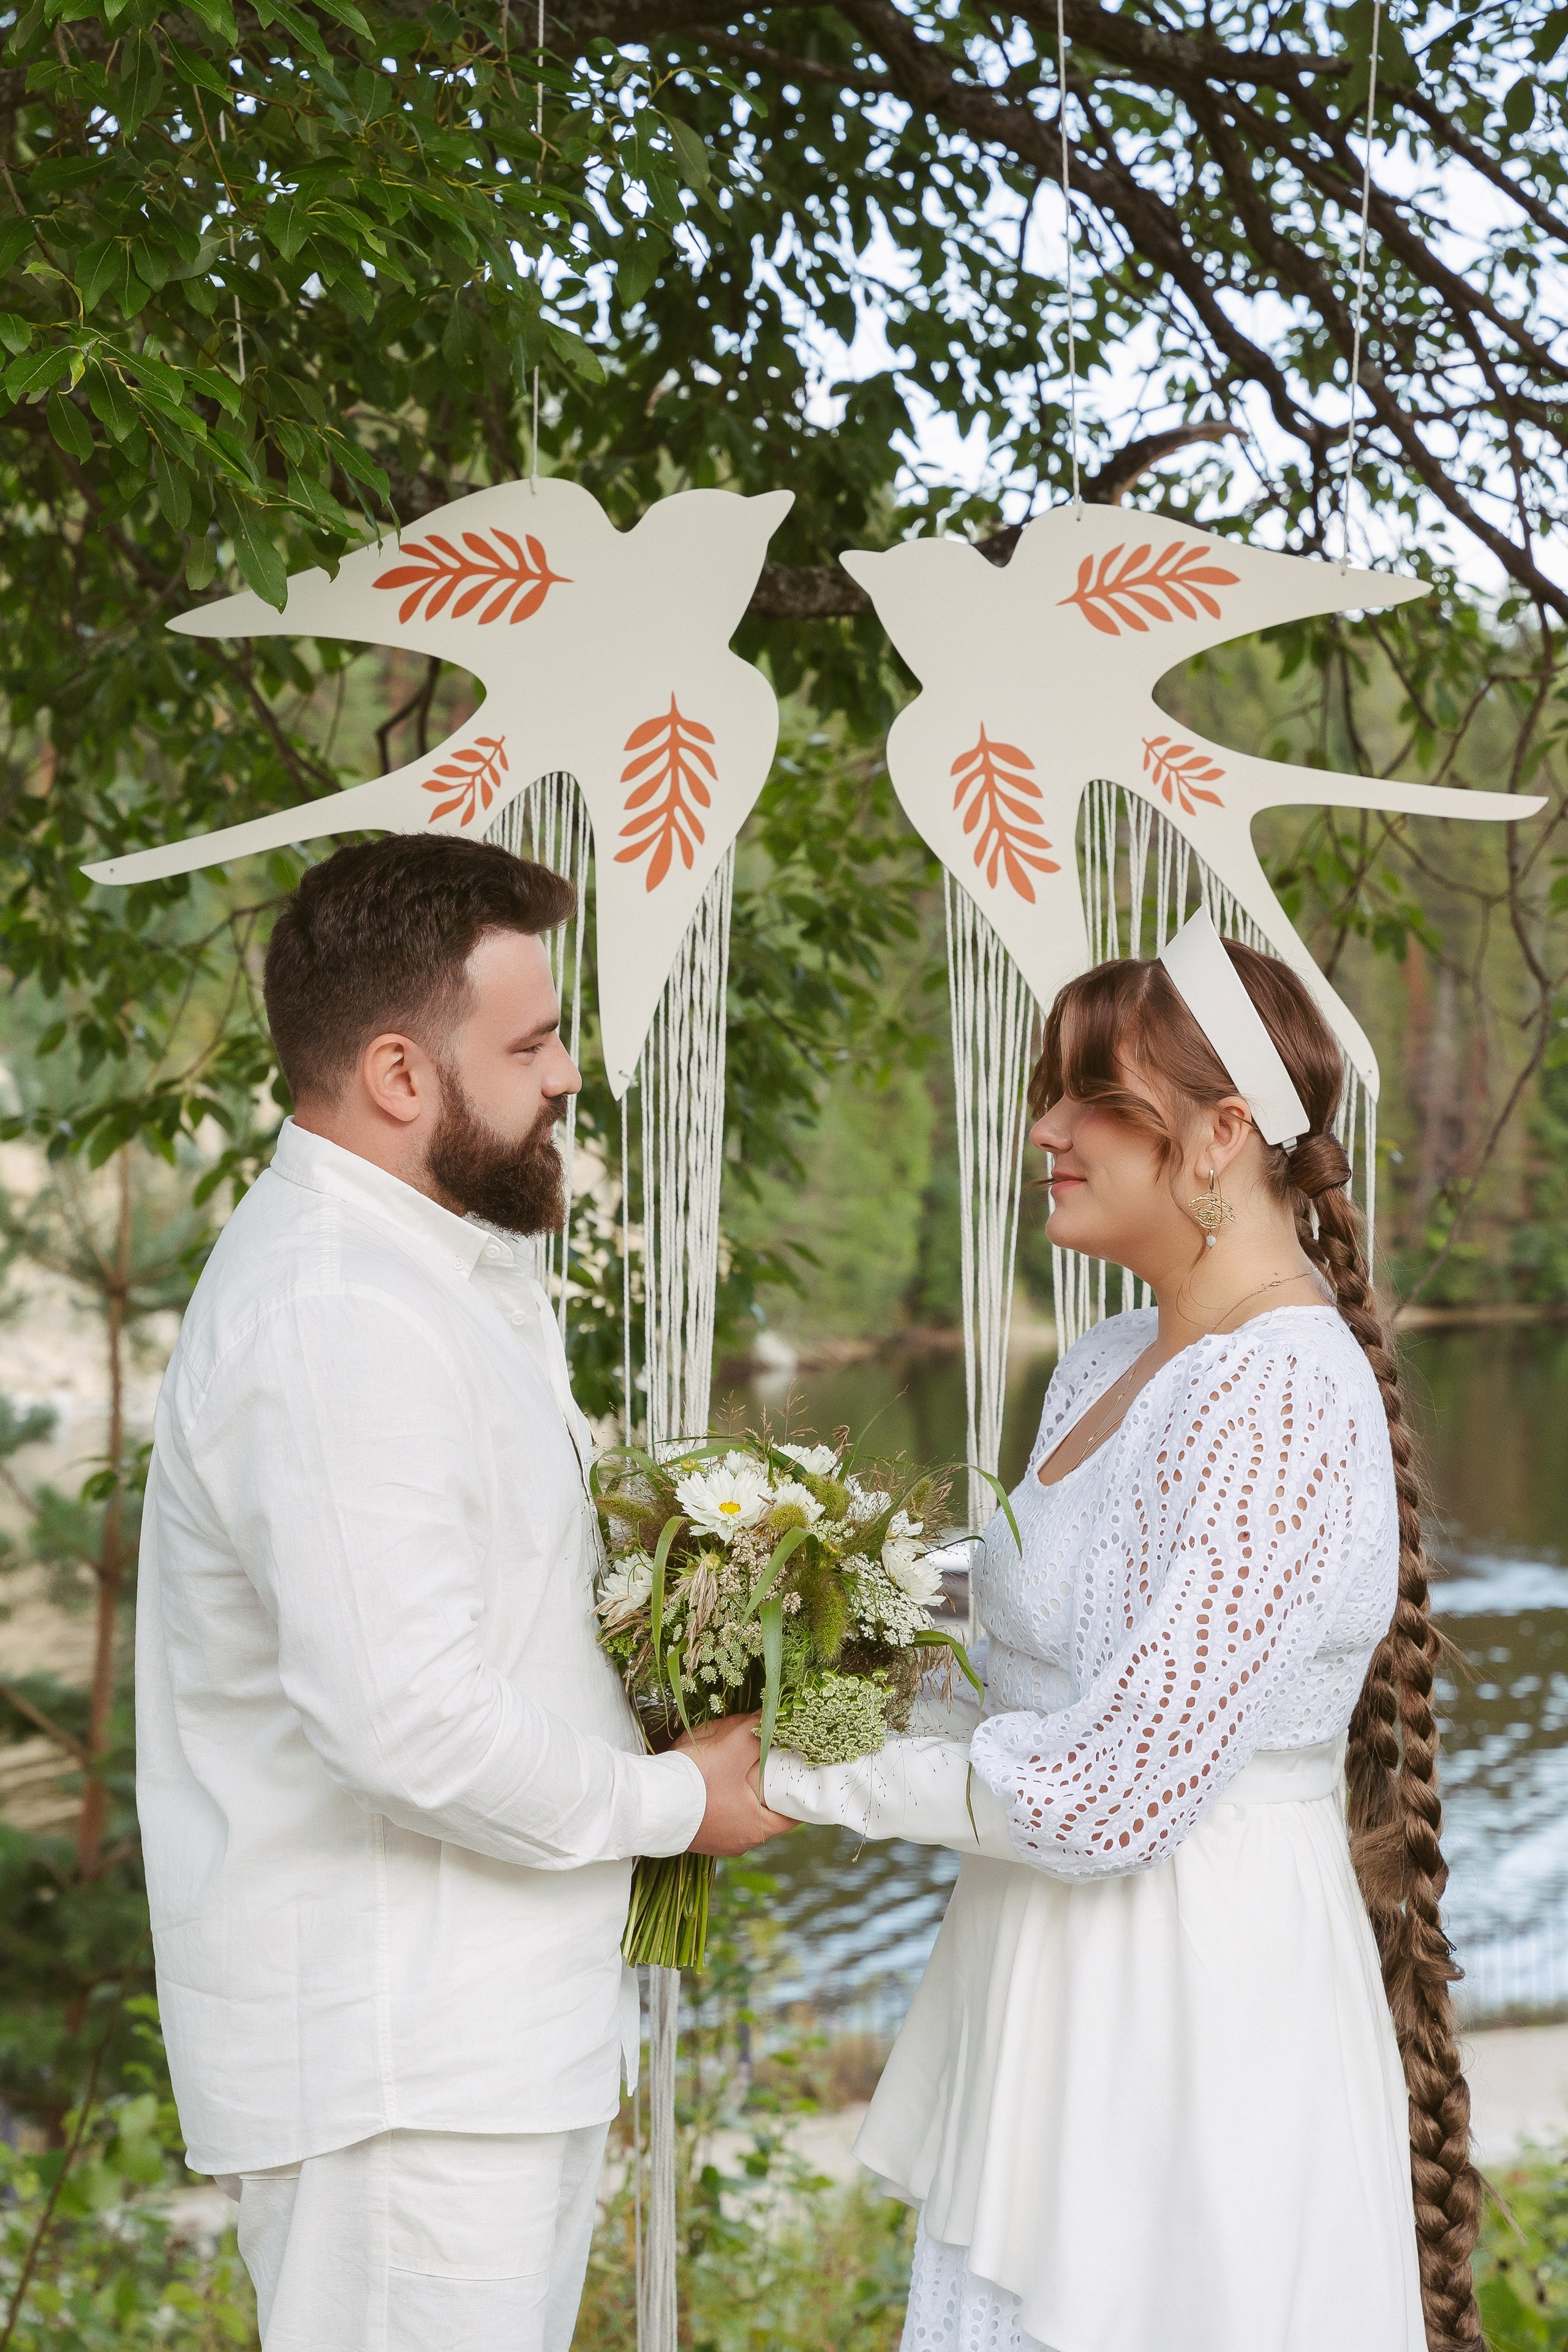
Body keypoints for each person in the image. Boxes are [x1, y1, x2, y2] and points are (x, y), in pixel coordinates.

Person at [761, 908, 1480, 2352]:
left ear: (1219, 1136)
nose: (1046, 1131)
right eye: (1051, 1094)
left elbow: (1110, 1790)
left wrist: (792, 1780)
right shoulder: (1108, 1354)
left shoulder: (1278, 1396)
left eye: (1096, 1101)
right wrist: (787, 1633)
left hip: (1187, 1984)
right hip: (1042, 1959)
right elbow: (1030, 1638)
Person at [135, 834, 791, 2352]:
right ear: (397, 1074)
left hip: (473, 2042)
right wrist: (677, 1806)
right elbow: (408, 1726)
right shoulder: (336, 1315)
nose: (567, 1073)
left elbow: (486, 1630)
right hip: (398, 2069)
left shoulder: (431, 1274)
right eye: (531, 1041)